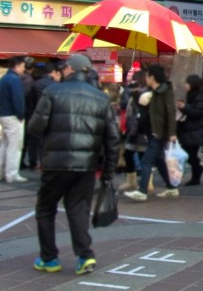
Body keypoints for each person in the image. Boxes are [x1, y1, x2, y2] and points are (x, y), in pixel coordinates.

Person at [27, 54, 120, 275]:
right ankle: (85, 255)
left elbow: (35, 128)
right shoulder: (100, 97)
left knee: (45, 208)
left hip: (55, 163)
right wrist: (108, 172)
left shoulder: (52, 92)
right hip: (86, 165)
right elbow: (113, 139)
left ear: (69, 69)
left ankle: (49, 258)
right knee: (78, 209)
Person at [124, 64, 179, 202]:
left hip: (159, 132)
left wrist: (172, 132)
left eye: (147, 75)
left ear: (152, 77)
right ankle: (171, 188)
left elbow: (170, 112)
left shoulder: (165, 91)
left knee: (146, 161)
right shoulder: (152, 92)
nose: (146, 78)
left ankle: (142, 191)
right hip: (153, 131)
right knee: (159, 161)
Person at [25, 63, 64, 171]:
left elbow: (29, 101)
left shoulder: (35, 84)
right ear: (54, 73)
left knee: (33, 141)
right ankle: (44, 164)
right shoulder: (55, 86)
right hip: (49, 117)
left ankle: (33, 163)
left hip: (34, 115)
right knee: (45, 143)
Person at [176, 74, 203, 186]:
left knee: (190, 155)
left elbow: (198, 112)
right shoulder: (191, 95)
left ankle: (196, 174)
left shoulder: (200, 97)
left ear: (192, 84)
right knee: (189, 154)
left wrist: (184, 107)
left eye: (187, 83)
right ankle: (196, 173)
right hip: (190, 130)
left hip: (196, 131)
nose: (185, 85)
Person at [117, 71, 149, 192]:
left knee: (140, 155)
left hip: (139, 128)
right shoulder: (136, 92)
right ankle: (135, 181)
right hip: (134, 127)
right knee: (133, 154)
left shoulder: (141, 93)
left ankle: (140, 183)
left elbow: (133, 108)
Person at [0, 56, 29, 183]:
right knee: (15, 146)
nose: (24, 69)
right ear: (17, 66)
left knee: (4, 145)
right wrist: (21, 115)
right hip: (13, 116)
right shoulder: (15, 80)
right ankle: (12, 174)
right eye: (23, 66)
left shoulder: (4, 78)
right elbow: (18, 100)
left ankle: (1, 172)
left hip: (3, 115)